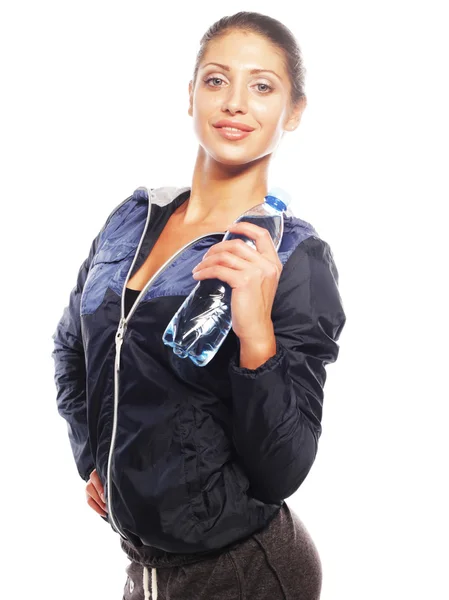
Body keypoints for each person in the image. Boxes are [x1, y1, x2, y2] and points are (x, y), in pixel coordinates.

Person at [51, 11, 346, 600]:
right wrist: (95, 458)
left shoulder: (295, 256)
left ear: (293, 112)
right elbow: (72, 347)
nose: (235, 102)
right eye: (217, 80)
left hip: (246, 572)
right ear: (191, 95)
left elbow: (283, 469)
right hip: (145, 567)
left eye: (262, 86)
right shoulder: (131, 218)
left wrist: (256, 332)